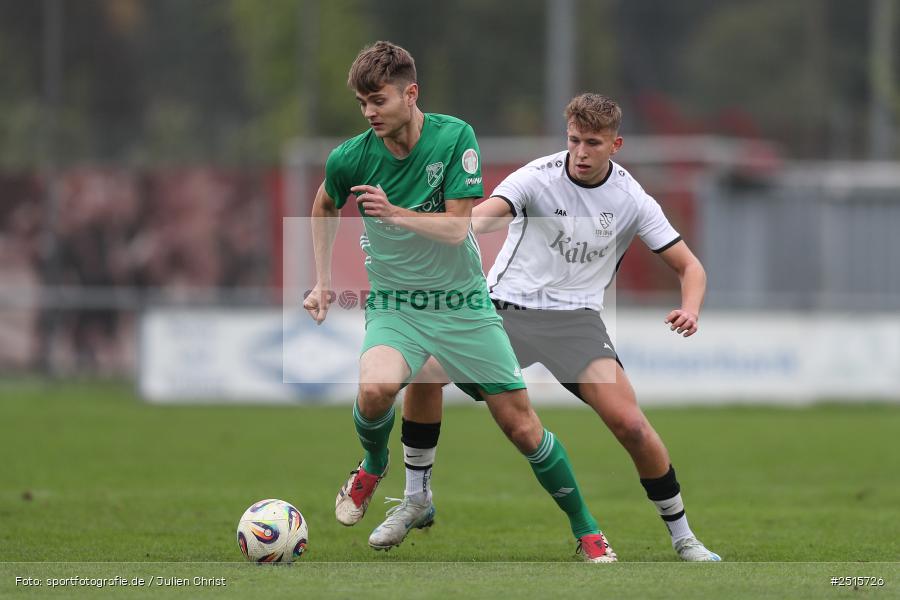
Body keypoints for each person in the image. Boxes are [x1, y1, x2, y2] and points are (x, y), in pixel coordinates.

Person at [302, 42, 616, 562]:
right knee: (376, 388)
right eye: (362, 103)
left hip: (462, 305)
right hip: (396, 305)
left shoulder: (454, 137)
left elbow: (456, 229)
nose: (369, 112)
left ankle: (588, 531)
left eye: (377, 100)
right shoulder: (351, 156)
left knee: (521, 425)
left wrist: (393, 211)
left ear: (411, 93)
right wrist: (321, 280)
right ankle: (373, 466)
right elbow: (324, 202)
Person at [386, 93, 722, 562]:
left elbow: (691, 268)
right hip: (505, 311)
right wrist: (433, 223)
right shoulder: (536, 178)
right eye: (573, 140)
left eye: (592, 143)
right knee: (425, 374)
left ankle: (684, 538)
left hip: (576, 324)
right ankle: (416, 497)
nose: (580, 152)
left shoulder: (631, 199)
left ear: (615, 144)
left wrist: (691, 307)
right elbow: (481, 218)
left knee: (632, 426)